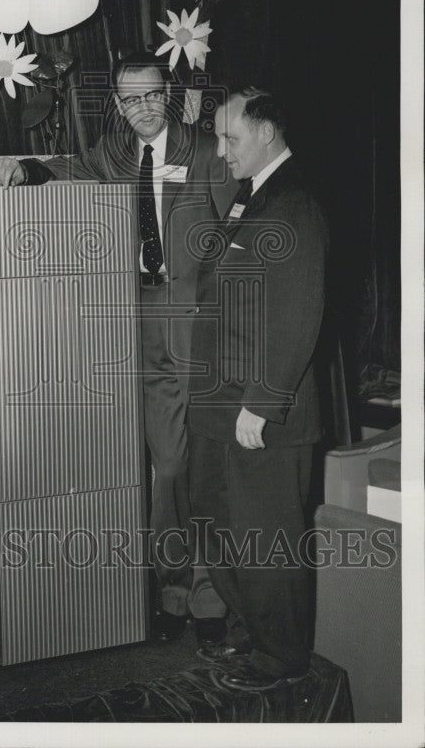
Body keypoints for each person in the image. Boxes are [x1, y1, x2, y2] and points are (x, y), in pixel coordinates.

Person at [0, 52, 236, 647]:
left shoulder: (207, 150)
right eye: (130, 100)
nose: (142, 109)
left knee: (208, 462)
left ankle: (212, 594)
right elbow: (78, 168)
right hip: (145, 317)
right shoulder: (119, 153)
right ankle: (173, 586)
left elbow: (239, 232)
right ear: (119, 105)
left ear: (169, 94)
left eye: (151, 96)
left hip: (202, 326)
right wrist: (30, 167)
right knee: (167, 463)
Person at [187, 87, 329, 691]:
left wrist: (261, 404)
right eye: (218, 138)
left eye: (230, 138)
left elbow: (297, 312)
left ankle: (283, 660)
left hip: (260, 412)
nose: (221, 152)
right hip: (221, 407)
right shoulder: (252, 198)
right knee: (220, 526)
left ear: (266, 131)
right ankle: (251, 634)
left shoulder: (293, 204)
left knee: (267, 539)